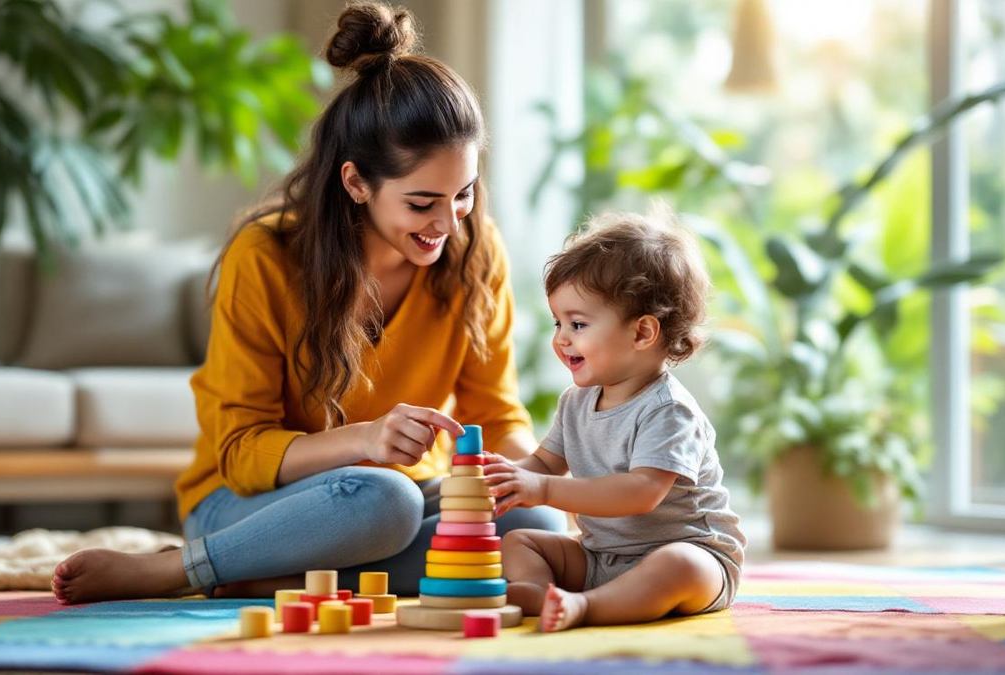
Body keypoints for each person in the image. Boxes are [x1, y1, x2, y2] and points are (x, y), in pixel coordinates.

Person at [51, 1, 566, 605]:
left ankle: (272, 580)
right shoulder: (266, 256)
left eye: (464, 195)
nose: (448, 224)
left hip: (389, 500)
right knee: (386, 498)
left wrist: (531, 476)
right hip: (246, 507)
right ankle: (177, 569)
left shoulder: (474, 252)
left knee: (537, 528)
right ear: (356, 183)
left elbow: (496, 414)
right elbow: (241, 454)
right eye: (422, 203)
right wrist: (365, 442)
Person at [482, 207, 746, 631]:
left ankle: (586, 608)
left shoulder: (668, 410)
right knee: (521, 541)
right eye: (558, 321)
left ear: (642, 333)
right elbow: (545, 464)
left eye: (578, 323)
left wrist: (544, 490)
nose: (561, 337)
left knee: (677, 565)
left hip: (692, 555)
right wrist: (507, 476)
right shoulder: (577, 402)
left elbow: (640, 492)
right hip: (601, 558)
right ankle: (539, 591)